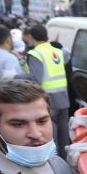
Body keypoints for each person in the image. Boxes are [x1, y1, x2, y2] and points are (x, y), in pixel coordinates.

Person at [26, 24, 70, 153]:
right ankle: (67, 163)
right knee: (64, 137)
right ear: (47, 36)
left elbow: (36, 81)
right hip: (63, 98)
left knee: (51, 136)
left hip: (47, 100)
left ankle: (54, 162)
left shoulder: (35, 54)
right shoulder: (57, 51)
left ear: (31, 37)